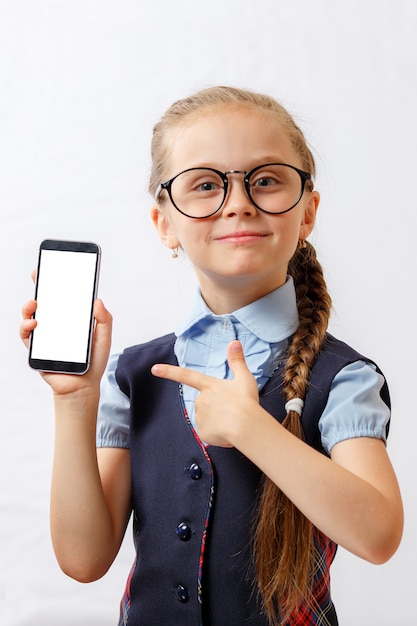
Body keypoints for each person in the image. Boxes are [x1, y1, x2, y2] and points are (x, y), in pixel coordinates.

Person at [20, 86, 403, 626]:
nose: (239, 202)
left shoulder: (342, 378)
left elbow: (379, 534)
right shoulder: (132, 376)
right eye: (205, 185)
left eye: (266, 179)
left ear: (308, 211)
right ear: (164, 224)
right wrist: (75, 398)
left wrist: (256, 430)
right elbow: (83, 560)